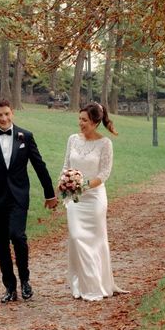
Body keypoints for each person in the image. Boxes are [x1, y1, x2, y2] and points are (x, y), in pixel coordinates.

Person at [0, 99, 58, 303]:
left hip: (18, 197)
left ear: (12, 114)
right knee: (1, 244)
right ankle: (10, 287)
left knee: (18, 236)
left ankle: (25, 280)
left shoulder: (25, 136)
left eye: (7, 114)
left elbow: (39, 165)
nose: (4, 118)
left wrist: (49, 194)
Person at [61, 102, 128, 301]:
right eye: (79, 119)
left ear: (96, 122)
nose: (80, 123)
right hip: (75, 198)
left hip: (95, 197)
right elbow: (66, 165)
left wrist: (84, 185)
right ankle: (80, 284)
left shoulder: (105, 143)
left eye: (85, 120)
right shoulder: (72, 139)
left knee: (96, 240)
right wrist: (64, 183)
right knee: (76, 237)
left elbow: (105, 173)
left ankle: (97, 285)